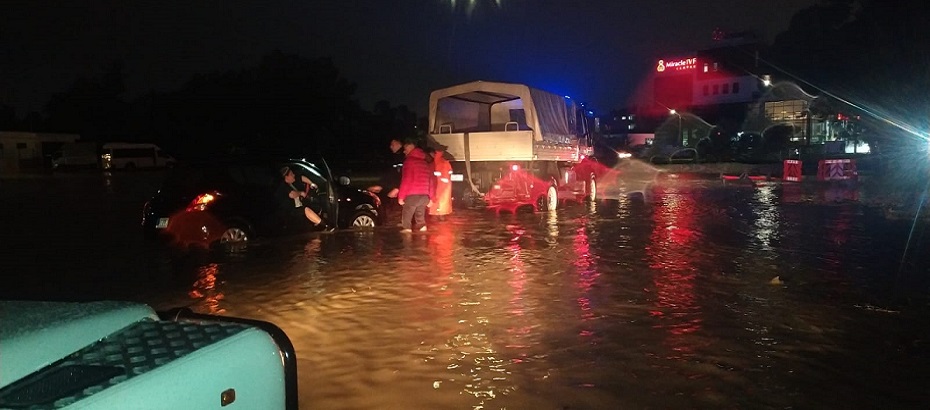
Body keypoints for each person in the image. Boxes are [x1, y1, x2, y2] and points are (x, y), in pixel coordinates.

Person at [278, 166, 333, 232]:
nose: (294, 175)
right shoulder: (284, 186)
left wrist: (311, 183)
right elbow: (292, 194)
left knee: (317, 202)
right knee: (306, 210)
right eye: (291, 174)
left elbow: (302, 178)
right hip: (291, 210)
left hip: (302, 203)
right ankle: (325, 225)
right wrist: (301, 193)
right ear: (286, 177)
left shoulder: (295, 179)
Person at [397, 141, 435, 233]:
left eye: (405, 150)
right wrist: (432, 198)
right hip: (424, 196)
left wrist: (401, 197)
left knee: (407, 216)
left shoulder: (409, 162)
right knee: (420, 218)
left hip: (412, 196)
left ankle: (407, 231)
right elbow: (431, 181)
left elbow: (406, 180)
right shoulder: (425, 163)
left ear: (410, 149)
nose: (404, 152)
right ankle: (422, 229)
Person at [368, 138, 405, 224]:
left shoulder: (402, 158)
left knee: (394, 210)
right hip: (390, 188)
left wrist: (397, 188)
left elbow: (402, 175)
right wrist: (380, 185)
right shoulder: (394, 158)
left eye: (393, 144)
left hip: (397, 191)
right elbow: (389, 174)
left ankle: (395, 225)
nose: (390, 147)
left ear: (399, 144)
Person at [429, 147, 453, 220]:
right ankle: (440, 215)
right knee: (442, 202)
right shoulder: (445, 162)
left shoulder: (438, 162)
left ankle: (438, 215)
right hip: (444, 186)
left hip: (439, 186)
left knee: (437, 201)